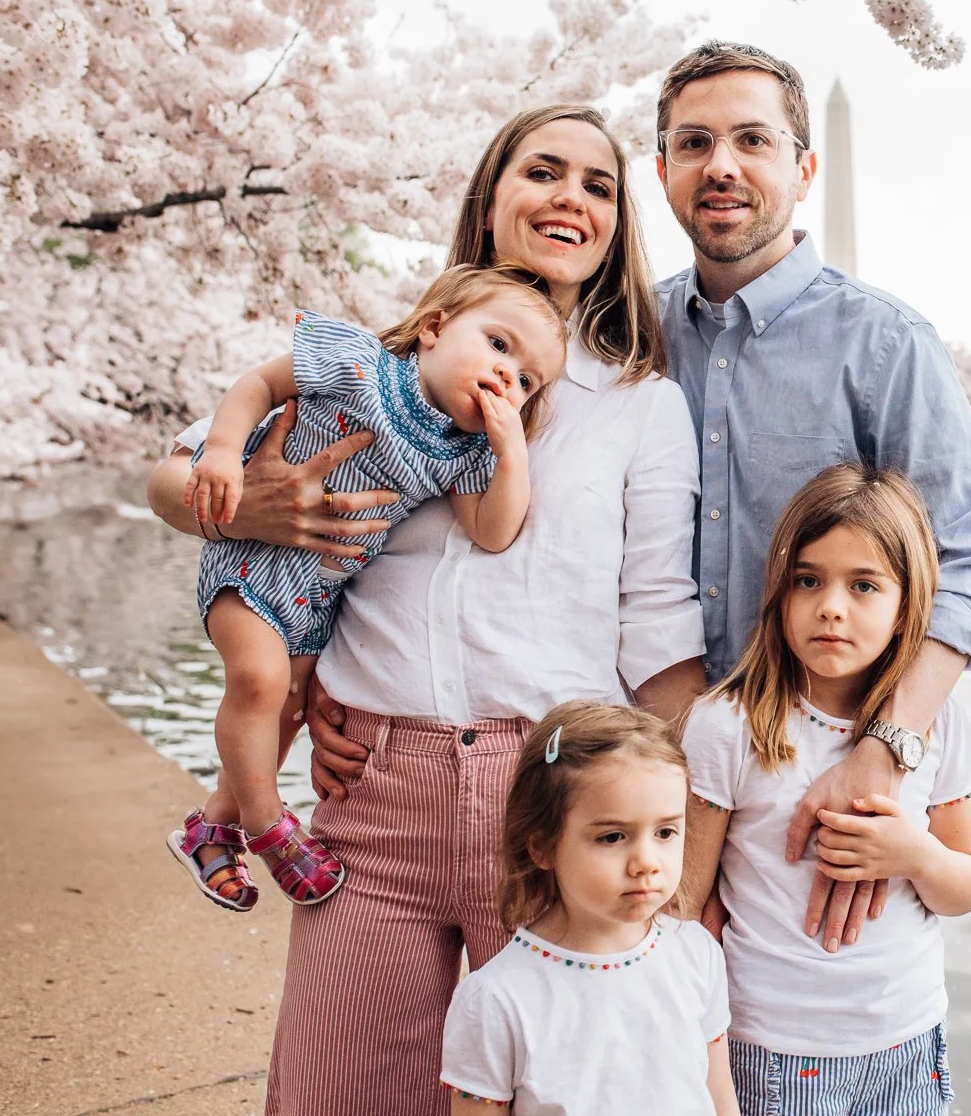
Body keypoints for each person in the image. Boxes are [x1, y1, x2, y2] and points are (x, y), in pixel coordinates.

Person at [146, 104, 706, 1116]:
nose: (569, 197)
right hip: (374, 789)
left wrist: (681, 840)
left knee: (552, 1094)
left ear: (620, 227)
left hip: (549, 801)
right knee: (335, 1094)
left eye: (598, 184)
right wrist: (238, 498)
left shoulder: (640, 404)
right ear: (492, 196)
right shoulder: (392, 358)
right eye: (543, 171)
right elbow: (176, 471)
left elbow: (659, 627)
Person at [653, 42, 971, 952]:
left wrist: (884, 754)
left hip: (823, 780)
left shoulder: (887, 345)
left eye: (751, 140)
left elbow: (959, 570)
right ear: (662, 172)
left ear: (804, 169)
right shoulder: (628, 338)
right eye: (693, 143)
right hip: (651, 781)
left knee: (829, 1043)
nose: (720, 165)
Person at [168, 265, 567, 912]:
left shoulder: (464, 453)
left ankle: (212, 826)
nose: (507, 376)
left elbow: (492, 532)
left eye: (526, 380)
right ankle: (270, 826)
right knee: (261, 683)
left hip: (317, 595)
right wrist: (218, 448)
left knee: (290, 707)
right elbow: (261, 383)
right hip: (255, 557)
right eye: (498, 345)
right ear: (435, 329)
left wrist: (511, 452)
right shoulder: (359, 365)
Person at [679, 464, 971, 1114]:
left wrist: (917, 856)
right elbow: (684, 906)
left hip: (909, 1036)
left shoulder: (938, 721)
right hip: (772, 1046)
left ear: (909, 610)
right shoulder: (728, 726)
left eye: (865, 585)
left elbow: (967, 886)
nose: (831, 606)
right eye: (808, 580)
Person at [441, 701, 738, 1115]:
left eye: (666, 831)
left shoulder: (697, 955)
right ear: (542, 846)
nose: (647, 862)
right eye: (613, 837)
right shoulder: (496, 1000)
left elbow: (719, 1098)